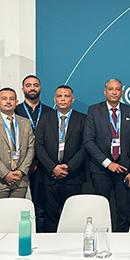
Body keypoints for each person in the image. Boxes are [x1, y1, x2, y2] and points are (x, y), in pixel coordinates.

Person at [84, 78, 130, 232]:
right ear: (105, 92)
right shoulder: (94, 110)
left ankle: (123, 242)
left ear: (122, 92)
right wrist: (108, 163)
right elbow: (88, 141)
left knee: (124, 212)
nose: (114, 92)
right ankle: (101, 241)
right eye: (110, 89)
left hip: (125, 170)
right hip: (101, 169)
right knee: (101, 210)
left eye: (117, 89)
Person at [35, 85, 87, 232]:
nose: (63, 99)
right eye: (59, 96)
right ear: (54, 99)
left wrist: (68, 167)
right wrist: (53, 167)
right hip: (48, 176)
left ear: (73, 99)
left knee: (72, 216)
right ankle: (51, 245)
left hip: (73, 176)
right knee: (50, 217)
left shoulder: (83, 119)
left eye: (66, 96)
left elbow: (85, 147)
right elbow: (38, 146)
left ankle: (71, 244)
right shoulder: (45, 118)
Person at [0, 87, 35, 205]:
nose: (8, 101)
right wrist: (5, 174)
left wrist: (21, 171)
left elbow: (31, 149)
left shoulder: (26, 123)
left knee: (16, 214)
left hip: (20, 181)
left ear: (16, 102)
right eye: (4, 99)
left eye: (12, 99)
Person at [15, 75, 53, 231]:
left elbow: (51, 141)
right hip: (19, 166)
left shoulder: (50, 112)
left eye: (36, 85)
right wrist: (27, 163)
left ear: (40, 88)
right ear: (23, 89)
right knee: (17, 206)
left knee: (41, 207)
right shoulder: (15, 111)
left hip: (43, 165)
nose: (32, 88)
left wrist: (37, 160)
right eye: (28, 85)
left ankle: (42, 237)